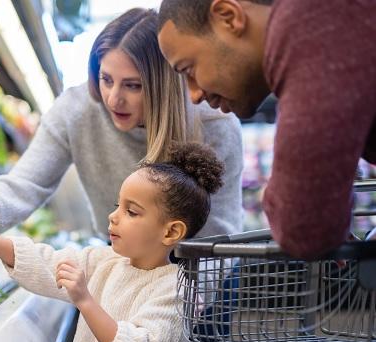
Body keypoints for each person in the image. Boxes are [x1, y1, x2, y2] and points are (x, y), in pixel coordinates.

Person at [0, 8, 243, 244]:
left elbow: (221, 228)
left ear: (163, 85)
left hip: (200, 271)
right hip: (123, 261)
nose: (113, 98)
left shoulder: (213, 122)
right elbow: (25, 185)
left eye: (133, 85)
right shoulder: (76, 109)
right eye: (106, 79)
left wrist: (185, 302)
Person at [0, 142, 224, 342]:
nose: (114, 216)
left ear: (171, 231)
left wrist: (85, 300)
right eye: (117, 206)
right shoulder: (104, 260)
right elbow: (46, 263)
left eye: (132, 211)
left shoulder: (175, 291)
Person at [156, 0, 376, 259]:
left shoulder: (311, 26)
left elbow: (304, 225)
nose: (194, 94)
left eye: (189, 69)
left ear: (228, 17)